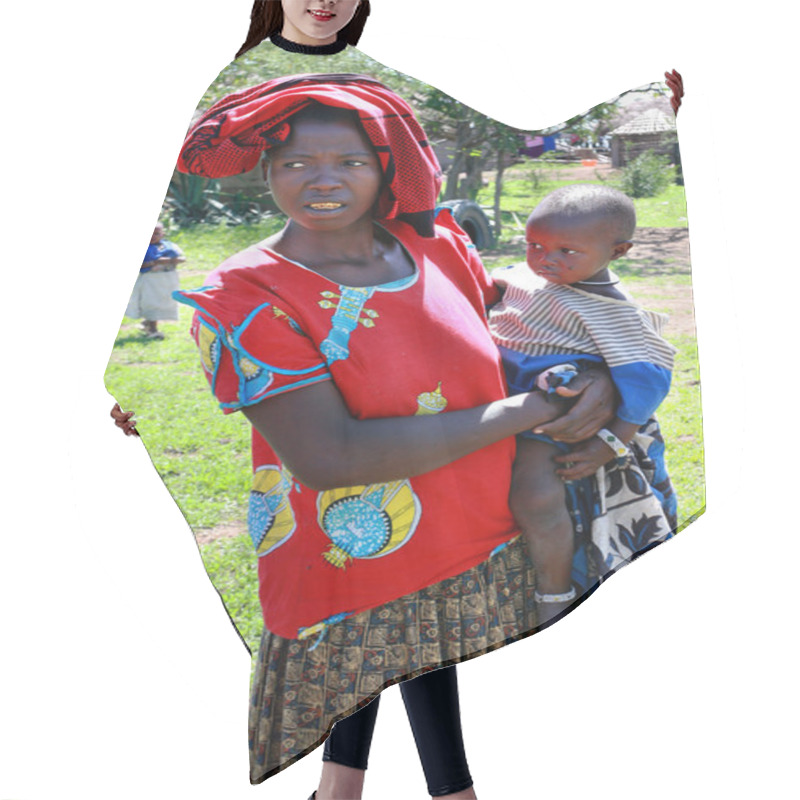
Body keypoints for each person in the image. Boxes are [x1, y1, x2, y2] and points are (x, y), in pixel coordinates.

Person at [172, 73, 615, 797]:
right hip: (350, 533)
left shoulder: (436, 246)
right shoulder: (246, 298)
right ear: (266, 174)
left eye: (348, 161)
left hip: (464, 512)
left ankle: (347, 786)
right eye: (294, 163)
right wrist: (528, 412)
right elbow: (329, 459)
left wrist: (591, 374)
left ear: (385, 170)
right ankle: (447, 791)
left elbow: (509, 339)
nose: (321, 180)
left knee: (420, 646)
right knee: (375, 639)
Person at [489, 184, 677, 623]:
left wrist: (610, 442)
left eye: (567, 251)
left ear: (619, 250)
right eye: (535, 245)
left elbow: (648, 380)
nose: (546, 259)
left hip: (553, 410)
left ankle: (554, 595)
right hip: (503, 396)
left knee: (535, 494)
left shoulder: (613, 311)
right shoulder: (524, 275)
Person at [125, 222, 186, 339]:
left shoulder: (170, 246)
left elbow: (183, 258)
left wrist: (171, 260)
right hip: (150, 280)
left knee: (163, 302)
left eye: (156, 234)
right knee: (151, 303)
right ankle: (153, 330)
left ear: (162, 234)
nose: (153, 237)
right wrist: (155, 262)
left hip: (168, 279)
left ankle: (148, 323)